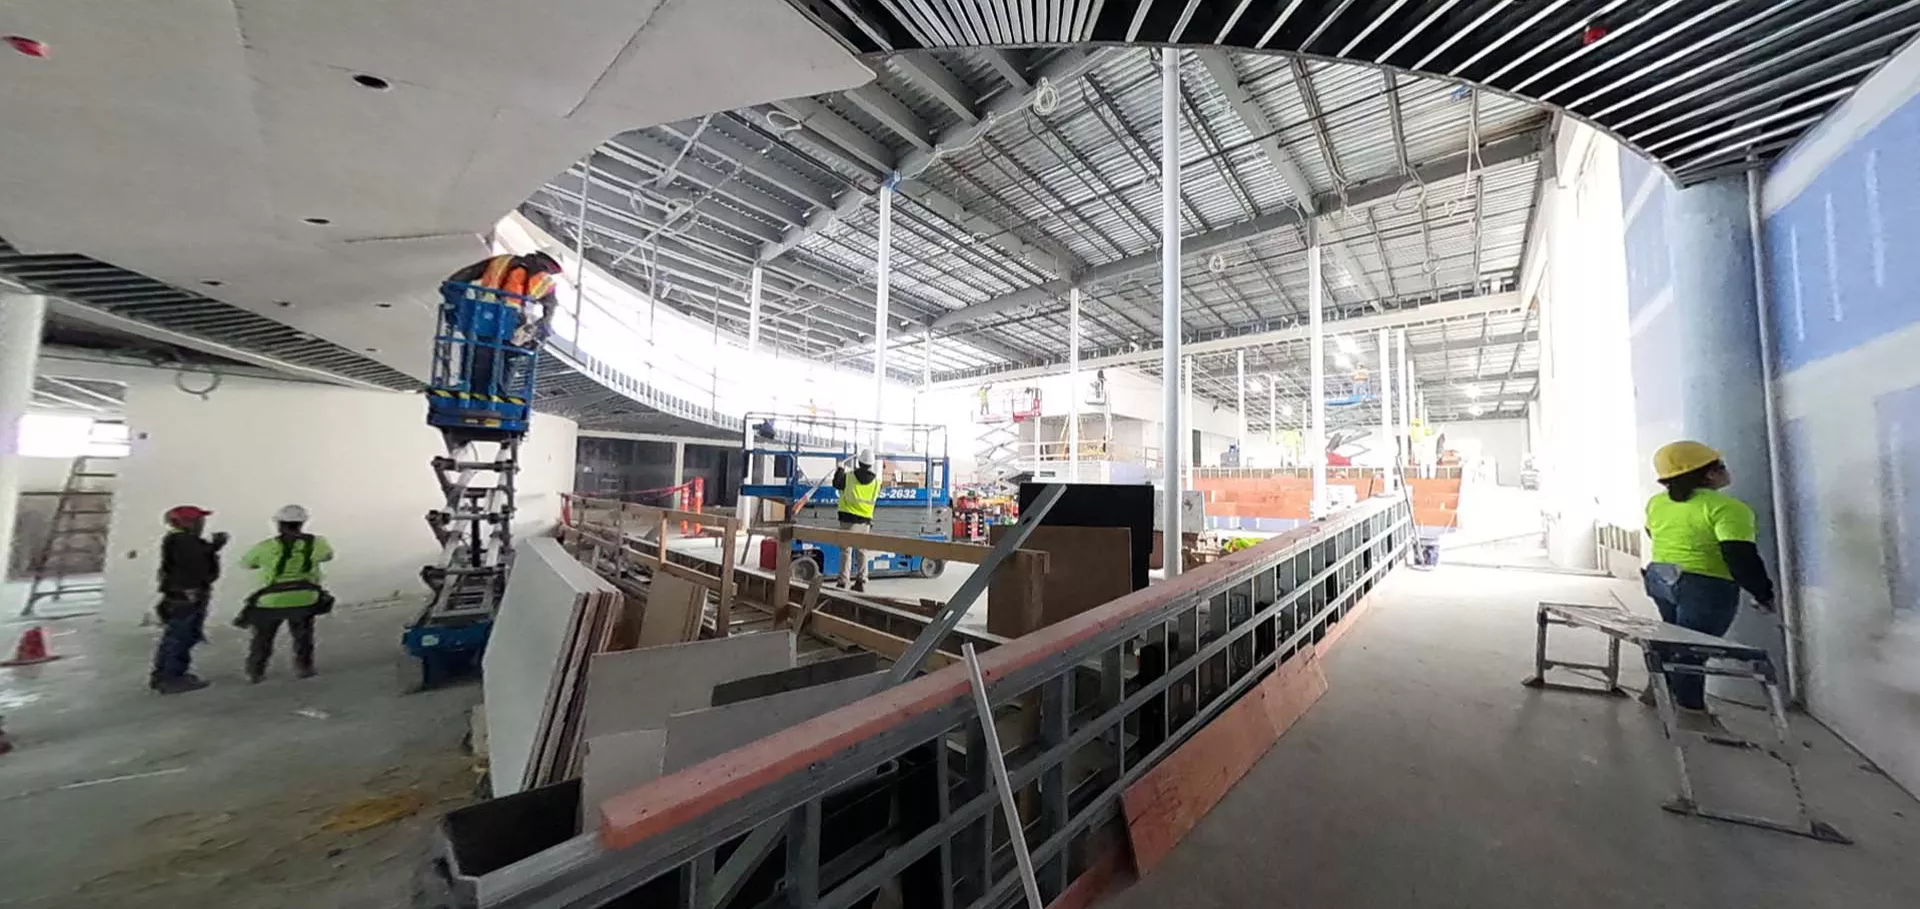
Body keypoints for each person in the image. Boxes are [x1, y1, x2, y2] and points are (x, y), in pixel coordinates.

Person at [1641, 441, 1777, 732]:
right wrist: (1763, 594)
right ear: (1709, 474)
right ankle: (1692, 713)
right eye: (1720, 466)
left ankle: (1658, 689)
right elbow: (1740, 557)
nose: (1726, 470)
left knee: (1673, 637)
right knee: (1693, 650)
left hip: (1660, 578)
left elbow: (1653, 532)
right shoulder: (1727, 508)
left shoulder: (1657, 503)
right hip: (1705, 585)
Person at [236, 504, 336, 682]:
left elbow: (247, 563)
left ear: (279, 525)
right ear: (302, 523)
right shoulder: (317, 543)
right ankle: (304, 667)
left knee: (262, 638)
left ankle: (256, 671)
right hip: (305, 598)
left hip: (270, 600)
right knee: (303, 635)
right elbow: (328, 556)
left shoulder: (265, 546)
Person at [150, 505, 228, 694]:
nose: (202, 523)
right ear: (187, 522)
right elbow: (197, 566)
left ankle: (165, 675)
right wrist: (214, 548)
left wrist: (213, 548)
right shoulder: (184, 542)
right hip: (186, 596)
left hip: (181, 595)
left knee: (178, 636)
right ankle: (171, 677)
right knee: (180, 637)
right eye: (199, 520)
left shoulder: (180, 541)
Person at [831, 450, 881, 592]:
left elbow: (836, 483)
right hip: (865, 521)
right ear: (871, 464)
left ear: (859, 462)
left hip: (847, 519)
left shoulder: (848, 477)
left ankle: (843, 581)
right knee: (862, 550)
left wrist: (840, 469)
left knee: (846, 550)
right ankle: (861, 581)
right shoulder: (876, 483)